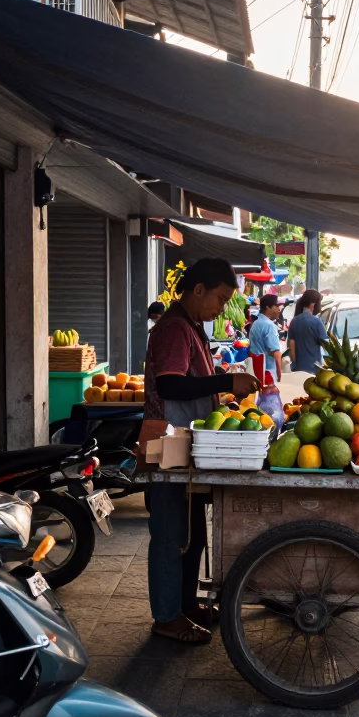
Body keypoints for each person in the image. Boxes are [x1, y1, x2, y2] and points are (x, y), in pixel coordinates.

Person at [140, 258, 260, 643]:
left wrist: (218, 401)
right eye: (221, 299)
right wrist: (227, 379)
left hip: (188, 446)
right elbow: (172, 386)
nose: (222, 308)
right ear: (198, 290)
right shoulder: (173, 328)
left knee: (191, 532)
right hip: (168, 446)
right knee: (170, 532)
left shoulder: (190, 327)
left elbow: (193, 384)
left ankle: (186, 604)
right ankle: (166, 617)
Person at [286, 289, 327, 373]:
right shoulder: (317, 322)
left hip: (298, 369)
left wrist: (294, 365)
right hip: (314, 370)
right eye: (320, 303)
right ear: (313, 305)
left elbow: (291, 346)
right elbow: (326, 345)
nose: (321, 306)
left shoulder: (294, 320)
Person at [248, 294, 283, 380]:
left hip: (256, 371)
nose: (279, 309)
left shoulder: (256, 323)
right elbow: (275, 352)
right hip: (268, 374)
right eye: (276, 306)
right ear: (268, 307)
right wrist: (279, 375)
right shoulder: (269, 325)